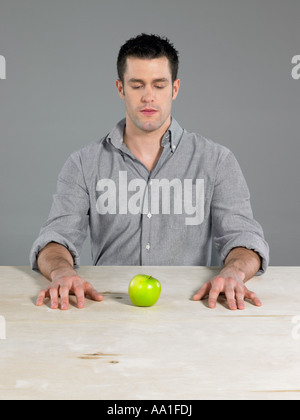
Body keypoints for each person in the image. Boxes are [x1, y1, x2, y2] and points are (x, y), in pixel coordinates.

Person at [30, 33, 269, 311]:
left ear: (175, 88)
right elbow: (55, 239)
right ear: (120, 89)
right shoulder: (83, 163)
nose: (148, 97)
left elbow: (244, 238)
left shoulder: (216, 160)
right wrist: (61, 272)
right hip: (106, 308)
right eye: (137, 85)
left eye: (159, 85)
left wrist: (234, 272)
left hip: (192, 309)